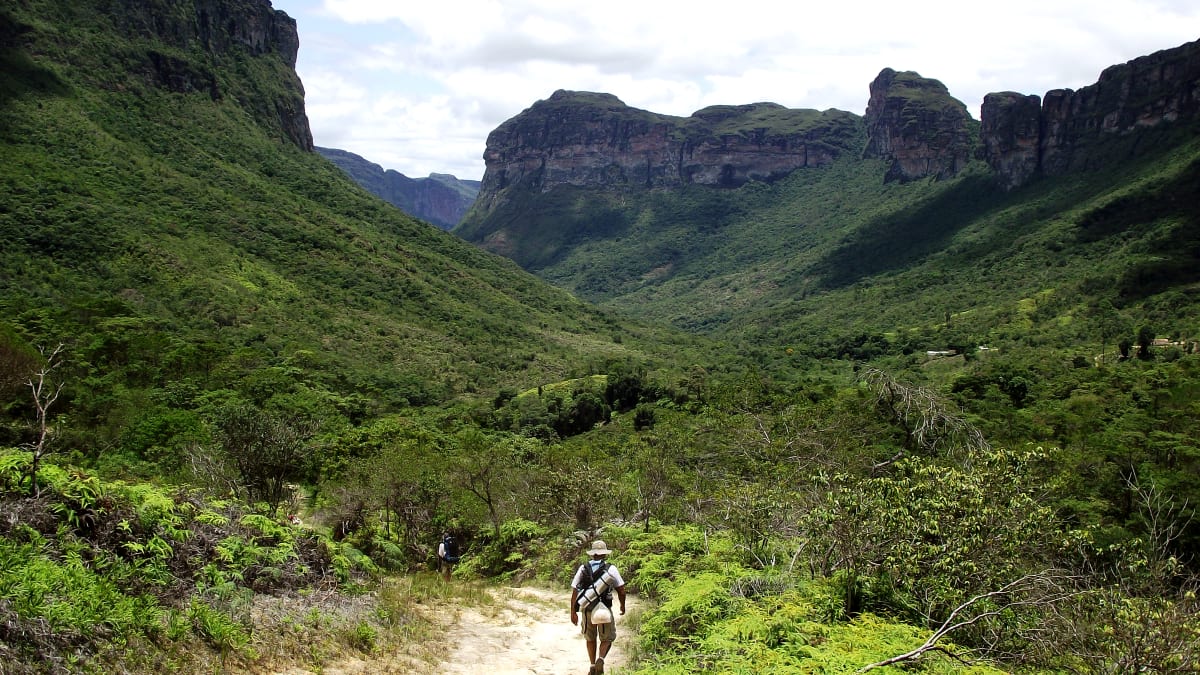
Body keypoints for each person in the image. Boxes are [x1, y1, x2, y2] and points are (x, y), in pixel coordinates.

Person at [570, 540, 627, 675]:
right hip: (603, 609)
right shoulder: (611, 568)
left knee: (590, 638)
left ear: (592, 554)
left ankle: (592, 665)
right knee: (607, 638)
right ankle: (600, 659)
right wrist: (622, 605)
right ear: (604, 554)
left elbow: (575, 591)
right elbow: (621, 590)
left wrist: (573, 612)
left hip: (587, 608)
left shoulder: (583, 568)